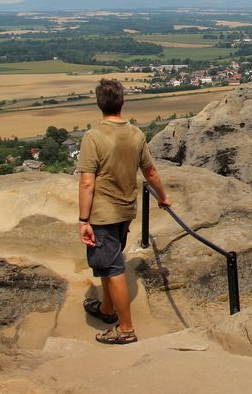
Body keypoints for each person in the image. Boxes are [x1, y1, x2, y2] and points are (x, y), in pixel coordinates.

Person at [77, 78, 170, 345]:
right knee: (110, 262)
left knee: (113, 267)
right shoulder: (136, 134)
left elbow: (86, 182)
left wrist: (84, 219)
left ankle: (126, 328)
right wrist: (163, 197)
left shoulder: (93, 137)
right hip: (125, 210)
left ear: (99, 104)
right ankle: (107, 310)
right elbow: (150, 171)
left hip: (102, 214)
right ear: (123, 102)